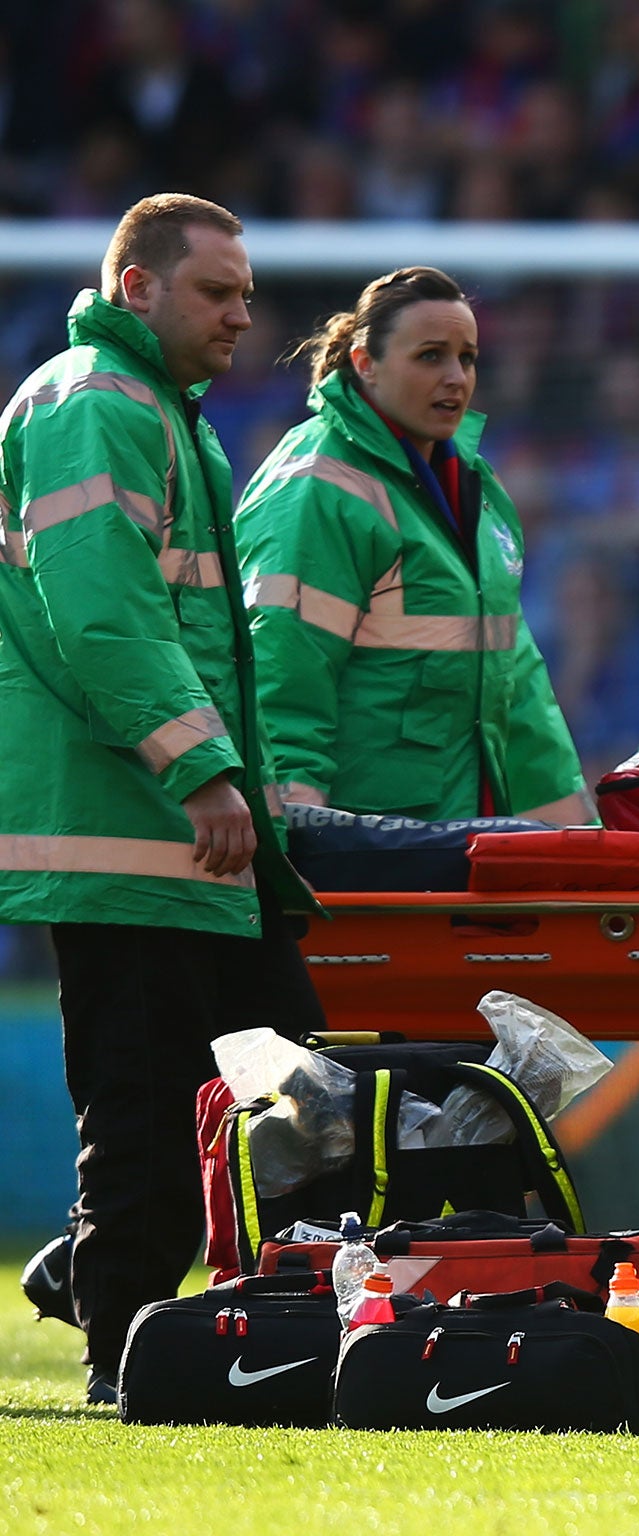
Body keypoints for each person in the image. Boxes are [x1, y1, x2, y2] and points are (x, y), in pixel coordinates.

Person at [0, 195, 324, 1401]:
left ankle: (108, 1285)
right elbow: (104, 614)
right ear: (137, 286)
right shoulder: (95, 403)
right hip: (125, 822)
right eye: (217, 290)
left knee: (271, 1076)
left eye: (245, 291)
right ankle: (121, 1353)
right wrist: (203, 769)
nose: (244, 312)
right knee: (150, 1101)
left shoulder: (158, 416)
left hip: (167, 827)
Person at [234, 267, 590, 825]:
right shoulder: (317, 486)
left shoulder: (474, 486)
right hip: (370, 852)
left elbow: (516, 688)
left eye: (466, 357)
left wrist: (573, 840)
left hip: (457, 845)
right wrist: (294, 833)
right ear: (364, 363)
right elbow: (283, 669)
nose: (456, 377)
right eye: (430, 356)